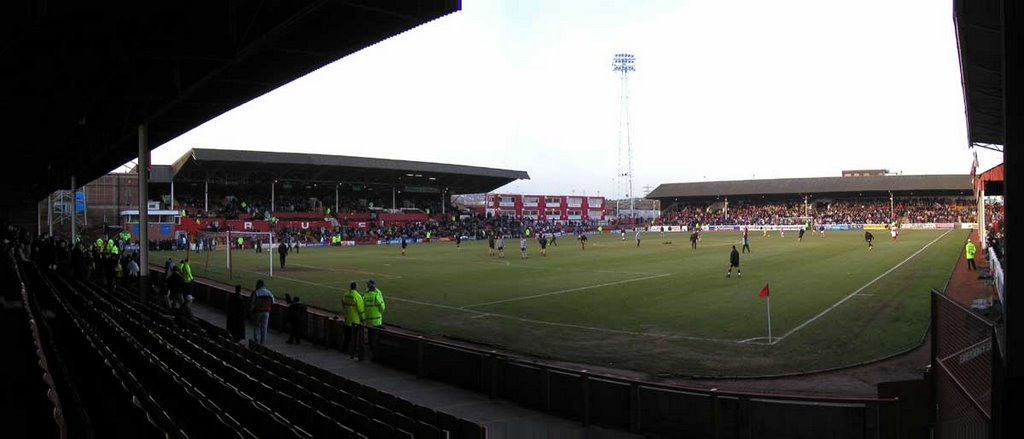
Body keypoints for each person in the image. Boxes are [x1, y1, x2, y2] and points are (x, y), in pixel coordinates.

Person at [362, 279, 386, 359]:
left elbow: (362, 307)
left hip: (369, 320)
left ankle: (371, 351)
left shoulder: (365, 295)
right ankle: (375, 354)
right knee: (376, 337)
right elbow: (382, 307)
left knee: (370, 335)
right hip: (376, 320)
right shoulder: (377, 294)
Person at [342, 282, 365, 359]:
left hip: (347, 319)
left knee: (347, 335)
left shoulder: (345, 294)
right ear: (356, 287)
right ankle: (353, 350)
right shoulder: (357, 296)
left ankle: (344, 349)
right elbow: (360, 309)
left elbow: (343, 304)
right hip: (355, 320)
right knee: (354, 336)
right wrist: (363, 318)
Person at [249, 280, 274, 344]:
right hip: (266, 312)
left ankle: (256, 339)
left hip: (258, 312)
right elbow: (273, 301)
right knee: (264, 327)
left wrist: (251, 311)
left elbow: (252, 303)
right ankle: (262, 342)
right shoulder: (269, 292)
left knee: (256, 326)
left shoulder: (256, 292)